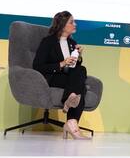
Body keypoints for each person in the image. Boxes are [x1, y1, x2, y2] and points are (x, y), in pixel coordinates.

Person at [32, 11, 90, 139]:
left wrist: (78, 56)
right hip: (53, 77)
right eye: (71, 22)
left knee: (81, 70)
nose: (75, 24)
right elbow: (37, 66)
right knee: (81, 88)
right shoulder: (48, 42)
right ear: (63, 25)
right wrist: (61, 63)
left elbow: (74, 68)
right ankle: (72, 122)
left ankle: (70, 109)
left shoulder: (72, 43)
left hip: (68, 77)